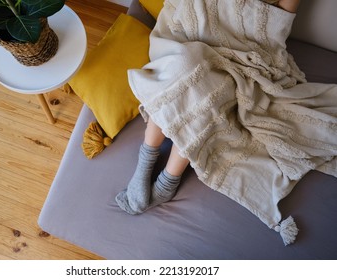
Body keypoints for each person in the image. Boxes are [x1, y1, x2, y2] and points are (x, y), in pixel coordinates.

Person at [115, 0, 302, 215]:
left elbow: (276, 30)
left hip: (239, 56)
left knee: (206, 91)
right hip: (191, 37)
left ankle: (169, 180)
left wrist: (236, 43)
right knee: (182, 66)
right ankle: (144, 164)